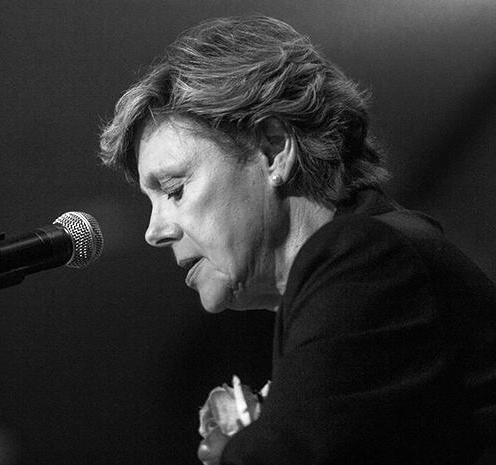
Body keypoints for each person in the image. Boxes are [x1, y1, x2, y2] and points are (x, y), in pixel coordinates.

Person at [98, 15, 496, 465]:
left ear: (273, 150)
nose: (155, 232)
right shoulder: (362, 261)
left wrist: (235, 450)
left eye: (174, 190)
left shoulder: (368, 256)